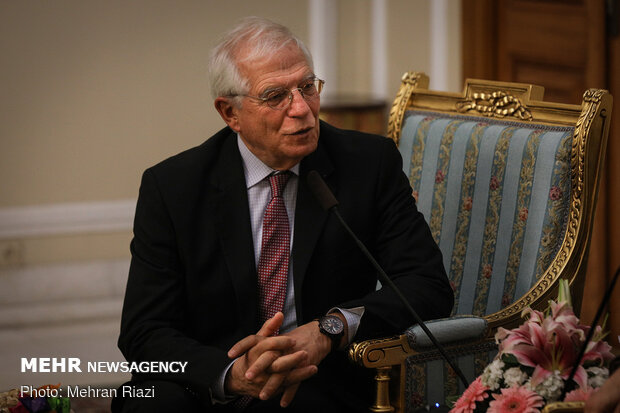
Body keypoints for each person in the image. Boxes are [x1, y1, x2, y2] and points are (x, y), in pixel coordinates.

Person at [113, 16, 453, 413]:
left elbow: (426, 285)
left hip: (317, 377)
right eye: (275, 96)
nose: (302, 110)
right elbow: (144, 331)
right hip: (209, 379)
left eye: (307, 87)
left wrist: (331, 328)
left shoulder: (367, 164)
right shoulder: (173, 187)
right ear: (230, 113)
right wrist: (231, 374)